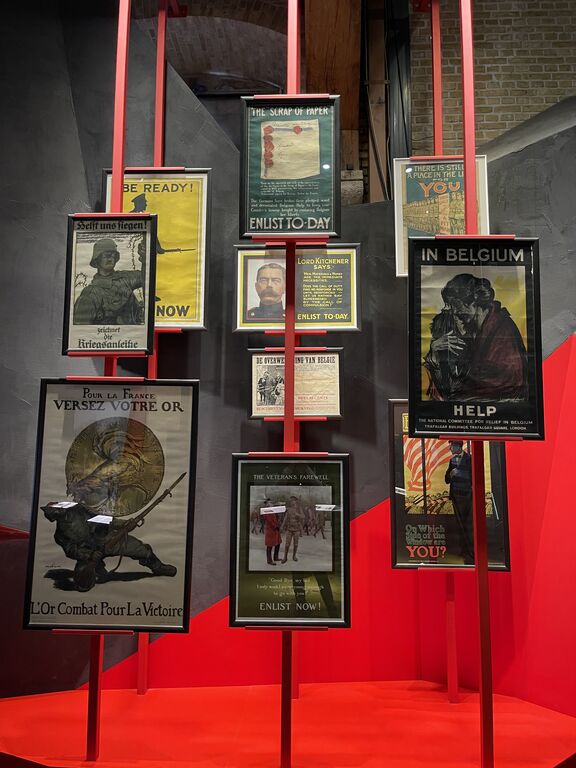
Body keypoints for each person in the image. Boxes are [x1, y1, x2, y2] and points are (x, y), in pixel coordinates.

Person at [424, 273, 528, 401]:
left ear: (473, 302)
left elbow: (504, 382)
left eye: (456, 305)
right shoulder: (475, 329)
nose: (454, 312)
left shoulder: (502, 330)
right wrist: (434, 355)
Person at [73, 238, 144, 325]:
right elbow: (80, 329)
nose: (111, 259)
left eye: (113, 256)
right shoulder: (89, 295)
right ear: (97, 259)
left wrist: (145, 259)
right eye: (107, 255)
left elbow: (146, 277)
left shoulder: (126, 278)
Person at [444, 440, 474, 564]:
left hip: (466, 496)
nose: (449, 448)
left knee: (467, 525)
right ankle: (464, 550)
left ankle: (470, 552)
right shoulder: (452, 461)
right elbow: (446, 479)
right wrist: (451, 474)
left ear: (457, 446)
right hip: (456, 496)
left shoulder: (470, 459)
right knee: (460, 525)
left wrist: (460, 473)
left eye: (451, 446)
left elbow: (473, 476)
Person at [281, 496, 305, 563]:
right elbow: (285, 518)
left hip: (296, 529)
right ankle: (285, 557)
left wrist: (298, 515)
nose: (292, 502)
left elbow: (303, 516)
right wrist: (282, 526)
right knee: (287, 544)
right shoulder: (289, 509)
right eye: (291, 501)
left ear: (295, 501)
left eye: (293, 501)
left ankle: (294, 556)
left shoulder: (299, 509)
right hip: (289, 529)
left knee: (295, 544)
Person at [261, 499, 281, 565]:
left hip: (275, 530)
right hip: (271, 530)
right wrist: (276, 526)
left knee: (278, 543)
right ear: (267, 504)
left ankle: (276, 557)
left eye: (271, 502)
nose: (271, 503)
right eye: (269, 502)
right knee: (269, 545)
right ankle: (269, 560)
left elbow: (275, 518)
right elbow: (269, 521)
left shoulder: (272, 510)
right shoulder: (267, 511)